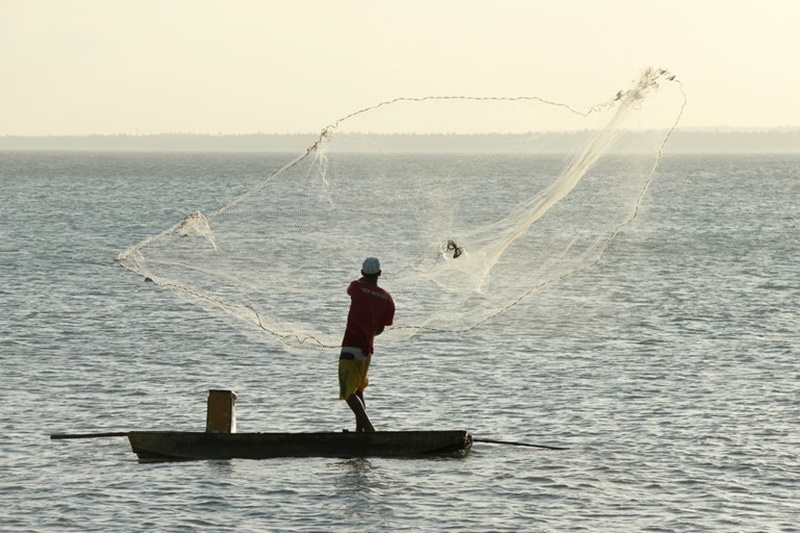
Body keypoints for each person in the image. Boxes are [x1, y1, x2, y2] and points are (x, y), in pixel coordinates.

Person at [338, 257, 395, 432]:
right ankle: (359, 431)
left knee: (348, 393)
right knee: (359, 390)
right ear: (380, 273)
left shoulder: (357, 287)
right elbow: (380, 329)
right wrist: (369, 334)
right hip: (366, 351)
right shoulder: (387, 298)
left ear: (362, 272)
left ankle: (369, 428)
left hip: (350, 346)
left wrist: (363, 279)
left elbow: (351, 288)